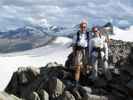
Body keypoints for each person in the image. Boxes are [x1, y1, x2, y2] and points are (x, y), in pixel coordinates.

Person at [72, 21, 91, 85]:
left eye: (84, 27)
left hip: (85, 51)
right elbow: (74, 45)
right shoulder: (76, 35)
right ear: (80, 27)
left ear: (86, 27)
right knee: (78, 66)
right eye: (82, 27)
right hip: (79, 51)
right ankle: (76, 82)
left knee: (85, 66)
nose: (83, 28)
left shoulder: (88, 34)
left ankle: (84, 80)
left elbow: (96, 36)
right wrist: (74, 54)